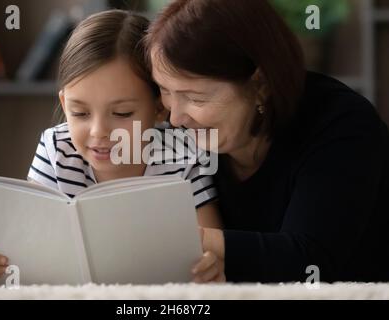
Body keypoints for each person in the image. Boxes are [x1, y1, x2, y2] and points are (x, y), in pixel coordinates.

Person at [0, 9, 222, 285]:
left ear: (160, 106)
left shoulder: (182, 156)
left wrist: (211, 266)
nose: (99, 132)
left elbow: (212, 246)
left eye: (122, 113)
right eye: (80, 113)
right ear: (64, 105)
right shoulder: (56, 149)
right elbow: (26, 248)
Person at [147, 0, 389, 283]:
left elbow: (310, 262)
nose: (175, 118)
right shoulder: (181, 136)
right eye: (165, 91)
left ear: (260, 83)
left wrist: (187, 241)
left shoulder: (342, 123)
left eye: (195, 98)